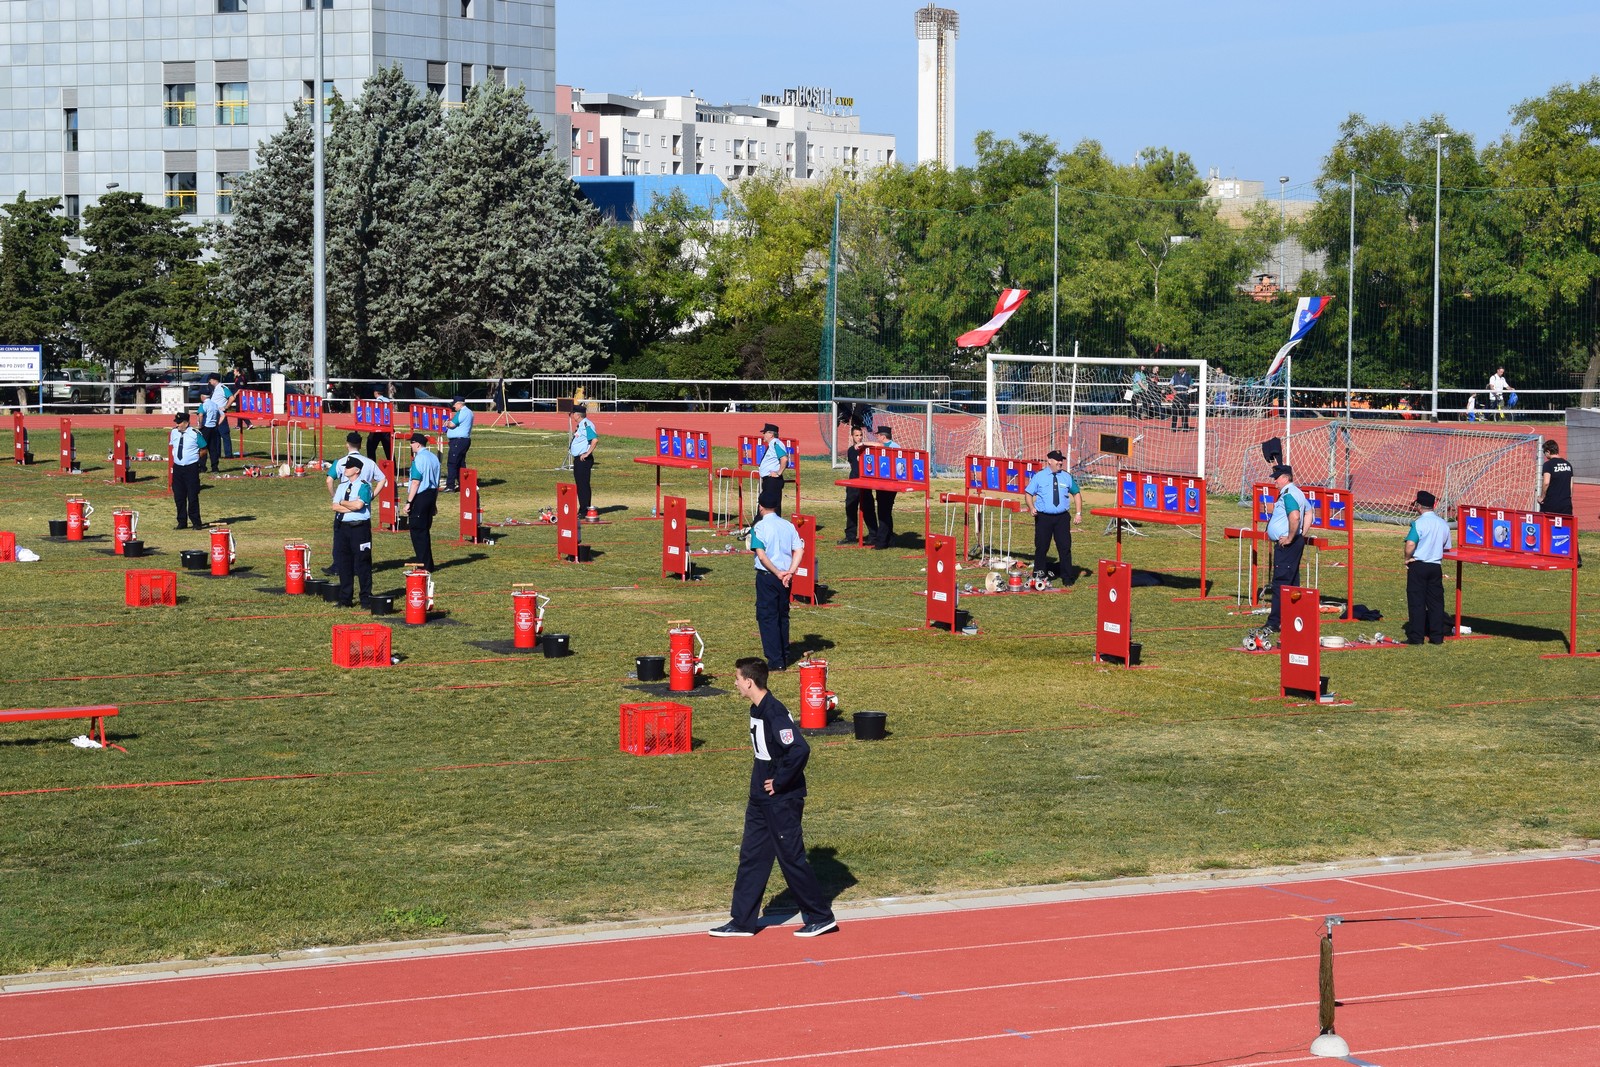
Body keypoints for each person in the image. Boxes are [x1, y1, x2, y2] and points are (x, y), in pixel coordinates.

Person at [708, 656, 838, 939]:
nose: (735, 683)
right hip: (760, 798)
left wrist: (779, 782)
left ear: (749, 682)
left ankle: (820, 916)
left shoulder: (774, 712)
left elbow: (799, 750)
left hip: (781, 800)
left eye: (737, 678)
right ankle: (742, 921)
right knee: (752, 857)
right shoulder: (757, 709)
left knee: (791, 858)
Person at [750, 488, 801, 671]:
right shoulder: (788, 525)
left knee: (767, 617)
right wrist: (790, 572)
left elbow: (762, 556)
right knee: (782, 616)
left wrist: (778, 572)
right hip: (786, 577)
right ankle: (784, 655)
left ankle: (775, 660)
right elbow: (799, 549)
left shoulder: (759, 527)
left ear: (761, 507)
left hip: (768, 576)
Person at [1262, 464, 1309, 637]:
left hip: (1287, 545)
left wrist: (1290, 537)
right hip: (1294, 542)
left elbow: (1295, 516)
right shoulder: (1298, 493)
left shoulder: (1289, 494)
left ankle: (1274, 622)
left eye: (1277, 478)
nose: (1274, 481)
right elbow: (1309, 513)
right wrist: (1302, 533)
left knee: (1281, 583)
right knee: (1292, 584)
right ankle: (1292, 619)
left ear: (1285, 478)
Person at [1022, 449, 1083, 583]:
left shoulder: (1066, 477)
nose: (1060, 462)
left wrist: (1078, 513)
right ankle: (1039, 575)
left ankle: (1067, 577)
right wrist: (1031, 507)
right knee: (1042, 547)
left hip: (1062, 518)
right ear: (1049, 461)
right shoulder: (1039, 476)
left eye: (1061, 460)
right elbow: (1028, 493)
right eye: (1057, 460)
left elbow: (1076, 493)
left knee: (1064, 547)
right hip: (1044, 518)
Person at [1403, 489, 1450, 645]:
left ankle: (1417, 637)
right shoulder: (1443, 524)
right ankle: (1437, 636)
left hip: (1419, 565)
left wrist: (1407, 558)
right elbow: (1446, 546)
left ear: (1418, 506)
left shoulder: (1418, 523)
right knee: (1436, 602)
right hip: (1435, 566)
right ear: (1434, 505)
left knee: (1417, 601)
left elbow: (1411, 544)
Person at [330, 456, 375, 608]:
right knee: (344, 563)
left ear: (357, 470)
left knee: (363, 563)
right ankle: (345, 598)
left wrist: (344, 503)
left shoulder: (364, 486)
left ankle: (366, 598)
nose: (345, 469)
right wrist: (350, 505)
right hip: (343, 527)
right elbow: (335, 506)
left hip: (359, 528)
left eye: (348, 467)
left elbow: (359, 505)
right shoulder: (342, 486)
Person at [402, 432, 440, 571]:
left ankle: (424, 565)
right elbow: (436, 482)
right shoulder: (434, 457)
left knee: (418, 532)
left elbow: (416, 482)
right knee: (424, 531)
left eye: (411, 443)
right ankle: (427, 564)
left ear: (417, 444)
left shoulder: (419, 459)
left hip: (421, 497)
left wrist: (409, 502)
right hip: (431, 495)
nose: (410, 446)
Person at [840, 423, 878, 545]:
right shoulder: (851, 450)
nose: (859, 437)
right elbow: (853, 465)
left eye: (861, 435)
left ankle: (874, 535)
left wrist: (864, 444)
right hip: (853, 482)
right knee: (850, 508)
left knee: (868, 509)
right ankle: (850, 535)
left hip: (865, 483)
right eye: (856, 435)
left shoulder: (867, 449)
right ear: (852, 437)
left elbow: (879, 445)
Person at [168, 411, 205, 530]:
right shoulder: (174, 432)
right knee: (179, 496)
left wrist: (197, 460)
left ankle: (196, 522)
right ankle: (181, 521)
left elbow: (204, 449)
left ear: (186, 423)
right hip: (178, 468)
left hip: (191, 468)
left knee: (192, 495)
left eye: (179, 423)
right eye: (177, 422)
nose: (177, 425)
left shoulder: (195, 433)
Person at [870, 424, 899, 549]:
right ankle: (890, 540)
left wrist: (863, 443)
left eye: (878, 435)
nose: (877, 438)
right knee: (886, 511)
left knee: (883, 512)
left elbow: (880, 446)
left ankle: (881, 542)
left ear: (882, 437)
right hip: (884, 483)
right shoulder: (893, 446)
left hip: (888, 485)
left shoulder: (892, 447)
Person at [570, 402, 598, 515]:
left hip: (583, 460)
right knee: (581, 485)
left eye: (573, 413)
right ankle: (584, 508)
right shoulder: (581, 425)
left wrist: (587, 453)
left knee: (583, 485)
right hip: (579, 459)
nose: (572, 415)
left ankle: (584, 510)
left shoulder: (586, 424)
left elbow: (594, 440)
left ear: (577, 415)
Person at [443, 394, 473, 492]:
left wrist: (446, 423)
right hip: (463, 441)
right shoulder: (469, 412)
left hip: (458, 441)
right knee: (461, 463)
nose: (453, 406)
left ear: (459, 404)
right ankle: (464, 484)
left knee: (452, 463)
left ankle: (450, 486)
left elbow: (452, 425)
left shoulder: (462, 412)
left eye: (454, 404)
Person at [757, 422, 788, 513]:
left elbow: (784, 459)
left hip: (772, 481)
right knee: (766, 506)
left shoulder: (776, 443)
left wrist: (778, 473)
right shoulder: (772, 444)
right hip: (769, 481)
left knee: (770, 507)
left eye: (765, 433)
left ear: (771, 434)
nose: (763, 435)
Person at [208, 372, 237, 461]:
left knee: (224, 434)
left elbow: (232, 398)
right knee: (216, 435)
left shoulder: (223, 388)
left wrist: (226, 407)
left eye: (210, 380)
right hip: (215, 415)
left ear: (214, 380)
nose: (209, 382)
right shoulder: (216, 389)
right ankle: (217, 454)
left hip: (221, 415)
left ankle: (228, 454)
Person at [366, 384, 394, 462]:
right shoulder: (388, 400)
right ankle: (393, 466)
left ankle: (372, 464)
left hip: (377, 427)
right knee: (389, 449)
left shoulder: (375, 402)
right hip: (387, 427)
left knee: (370, 446)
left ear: (376, 392)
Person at [1168, 365, 1194, 431]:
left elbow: (1191, 384)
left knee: (1184, 411)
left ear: (1183, 369)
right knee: (1174, 410)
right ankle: (1173, 428)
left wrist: (1189, 390)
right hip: (1177, 395)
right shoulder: (1175, 375)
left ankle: (1185, 427)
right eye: (1178, 368)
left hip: (1184, 395)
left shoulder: (1188, 376)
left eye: (1180, 368)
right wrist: (1173, 390)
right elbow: (1170, 384)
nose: (1179, 370)